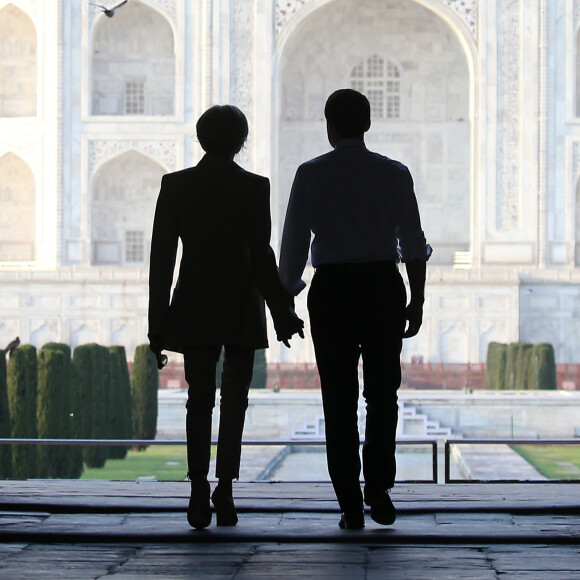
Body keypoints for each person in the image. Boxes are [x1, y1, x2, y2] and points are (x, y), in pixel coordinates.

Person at [279, 89, 431, 530]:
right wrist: (416, 299)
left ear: (330, 126)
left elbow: (293, 245)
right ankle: (379, 491)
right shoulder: (394, 174)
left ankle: (349, 502)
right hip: (384, 287)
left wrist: (286, 298)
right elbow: (413, 244)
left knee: (339, 400)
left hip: (333, 291)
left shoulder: (311, 174)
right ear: (367, 125)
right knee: (383, 394)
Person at [148, 105, 304, 530]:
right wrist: (283, 312)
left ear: (201, 139)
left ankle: (198, 488)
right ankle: (226, 490)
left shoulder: (176, 185)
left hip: (195, 303)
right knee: (235, 403)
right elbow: (261, 257)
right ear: (241, 141)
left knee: (199, 400)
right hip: (240, 305)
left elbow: (162, 260)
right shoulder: (253, 187)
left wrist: (156, 326)